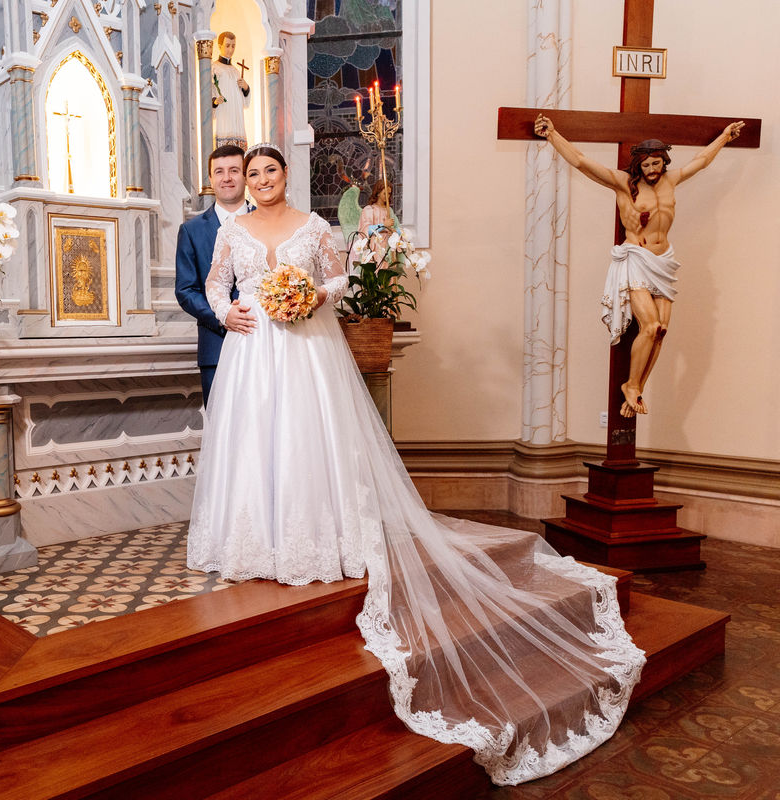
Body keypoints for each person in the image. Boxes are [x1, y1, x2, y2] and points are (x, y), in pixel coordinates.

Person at [186, 141, 646, 786]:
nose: (259, 180)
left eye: (269, 171)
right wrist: (226, 309)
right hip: (254, 346)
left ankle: (325, 529)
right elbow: (212, 283)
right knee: (255, 440)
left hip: (307, 348)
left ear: (285, 175)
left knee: (309, 439)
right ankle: (253, 532)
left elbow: (343, 276)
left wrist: (313, 295)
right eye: (250, 174)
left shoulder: (316, 226)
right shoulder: (230, 229)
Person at [535, 115, 745, 417]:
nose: (651, 170)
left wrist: (724, 137)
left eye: (656, 164)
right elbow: (581, 162)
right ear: (638, 165)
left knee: (661, 331)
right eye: (645, 166)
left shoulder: (672, 180)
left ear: (664, 162)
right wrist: (553, 135)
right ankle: (630, 385)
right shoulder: (623, 184)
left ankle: (637, 387)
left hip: (664, 260)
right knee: (650, 326)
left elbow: (701, 160)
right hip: (637, 258)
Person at [175, 144, 255, 405]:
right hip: (216, 345)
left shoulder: (267, 222)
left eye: (234, 170)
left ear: (245, 175)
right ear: (211, 179)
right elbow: (186, 290)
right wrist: (224, 316)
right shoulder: (191, 230)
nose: (227, 178)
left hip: (262, 339)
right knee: (221, 432)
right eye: (219, 171)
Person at [211, 32, 250, 149]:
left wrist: (246, 88)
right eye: (227, 46)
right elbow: (210, 90)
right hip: (224, 115)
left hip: (237, 118)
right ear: (219, 46)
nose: (231, 49)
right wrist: (215, 101)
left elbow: (244, 102)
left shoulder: (236, 71)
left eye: (233, 46)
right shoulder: (214, 68)